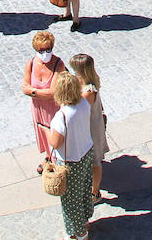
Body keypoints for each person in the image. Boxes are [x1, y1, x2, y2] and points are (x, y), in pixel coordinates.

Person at [46, 70, 95, 240]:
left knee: (70, 201)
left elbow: (55, 143)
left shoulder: (62, 116)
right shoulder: (84, 103)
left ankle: (80, 233)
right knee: (83, 191)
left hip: (70, 161)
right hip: (86, 152)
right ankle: (85, 220)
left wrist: (47, 132)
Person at [67, 54, 108, 205]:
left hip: (91, 128)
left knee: (95, 161)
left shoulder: (89, 90)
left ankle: (95, 192)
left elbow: (78, 106)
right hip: (87, 126)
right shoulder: (83, 81)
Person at [24, 31, 67, 169]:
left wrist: (33, 92)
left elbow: (53, 93)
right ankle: (49, 157)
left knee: (55, 134)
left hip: (54, 108)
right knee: (43, 131)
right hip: (38, 107)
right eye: (41, 50)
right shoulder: (31, 63)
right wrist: (37, 93)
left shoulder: (58, 64)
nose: (45, 53)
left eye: (48, 49)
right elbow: (25, 86)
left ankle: (57, 161)